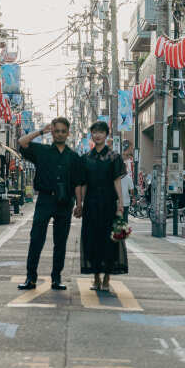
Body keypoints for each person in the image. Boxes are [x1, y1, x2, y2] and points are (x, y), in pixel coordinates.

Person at [17, 117, 85, 291]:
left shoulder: (74, 156)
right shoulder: (42, 151)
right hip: (45, 200)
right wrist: (41, 131)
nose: (60, 134)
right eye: (57, 131)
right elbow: (22, 142)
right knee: (36, 239)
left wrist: (79, 204)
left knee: (60, 241)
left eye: (63, 131)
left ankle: (56, 278)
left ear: (68, 133)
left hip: (65, 202)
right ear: (52, 132)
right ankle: (30, 278)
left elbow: (78, 182)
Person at [80, 120, 127, 293]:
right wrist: (80, 204)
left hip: (108, 203)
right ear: (91, 135)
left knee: (109, 242)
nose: (98, 135)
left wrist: (120, 203)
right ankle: (96, 278)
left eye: (101, 132)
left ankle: (107, 278)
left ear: (106, 135)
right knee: (92, 241)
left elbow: (117, 181)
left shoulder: (114, 157)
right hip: (91, 204)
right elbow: (83, 183)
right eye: (95, 132)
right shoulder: (86, 158)